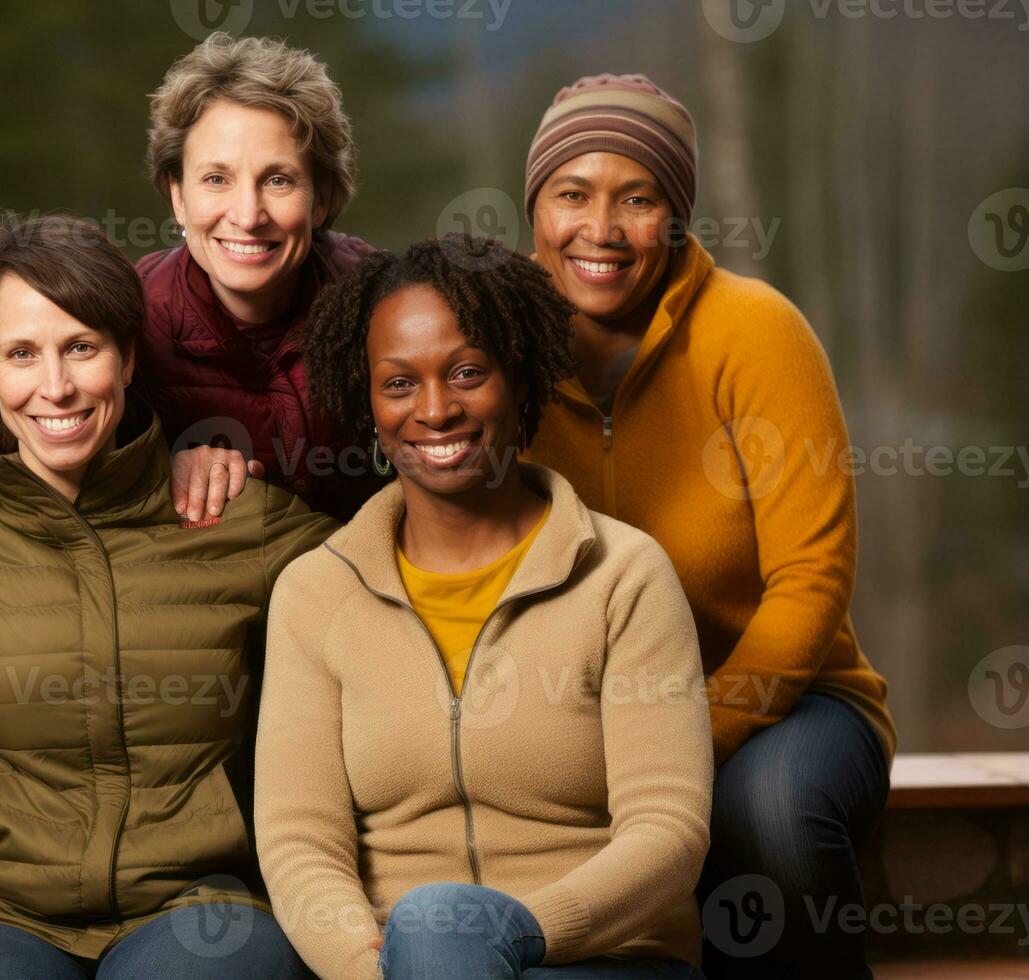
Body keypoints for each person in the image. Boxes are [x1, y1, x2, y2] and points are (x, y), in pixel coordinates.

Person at [0, 214, 335, 978]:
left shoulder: (238, 518)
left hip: (199, 900)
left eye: (81, 348)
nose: (56, 386)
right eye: (22, 355)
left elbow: (395, 578)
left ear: (128, 358)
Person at [256, 235, 712, 979]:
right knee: (433, 933)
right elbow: (298, 840)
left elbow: (669, 833)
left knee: (444, 926)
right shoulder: (315, 593)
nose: (435, 410)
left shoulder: (622, 577)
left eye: (467, 373)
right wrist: (370, 968)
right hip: (394, 966)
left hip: (605, 958)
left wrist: (511, 935)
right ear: (365, 402)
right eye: (398, 384)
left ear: (518, 380)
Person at [519, 74, 893, 977]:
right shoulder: (497, 341)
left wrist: (695, 738)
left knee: (762, 815)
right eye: (571, 194)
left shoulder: (754, 331)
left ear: (676, 216)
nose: (600, 231)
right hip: (574, 718)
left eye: (636, 199)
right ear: (533, 207)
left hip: (784, 708)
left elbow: (810, 578)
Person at [0, 34, 382, 524]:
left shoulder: (385, 304)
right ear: (177, 197)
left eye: (278, 180)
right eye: (217, 179)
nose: (248, 215)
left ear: (320, 199)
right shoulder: (121, 314)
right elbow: (40, 416)